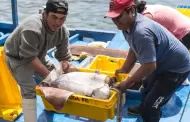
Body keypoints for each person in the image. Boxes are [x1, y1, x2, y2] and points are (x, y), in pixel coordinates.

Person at [105, 0, 190, 122]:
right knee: (146, 87)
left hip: (176, 69)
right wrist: (125, 69)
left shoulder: (141, 31)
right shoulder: (126, 27)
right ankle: (143, 107)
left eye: (119, 16)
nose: (116, 21)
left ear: (132, 11)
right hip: (162, 62)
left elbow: (149, 66)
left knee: (151, 108)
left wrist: (127, 82)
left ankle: (149, 111)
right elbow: (133, 49)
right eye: (113, 17)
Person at [4, 0, 77, 122]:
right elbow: (28, 57)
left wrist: (67, 69)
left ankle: (51, 105)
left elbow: (63, 57)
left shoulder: (63, 31)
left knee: (57, 79)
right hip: (18, 57)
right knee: (29, 90)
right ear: (45, 13)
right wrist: (48, 75)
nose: (58, 23)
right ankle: (30, 119)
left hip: (39, 54)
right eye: (54, 17)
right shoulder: (33, 28)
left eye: (62, 18)